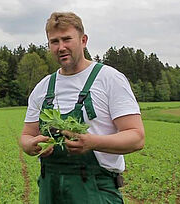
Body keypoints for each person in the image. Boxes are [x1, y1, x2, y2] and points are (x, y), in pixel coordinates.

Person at [20, 12, 145, 204]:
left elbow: (136, 137)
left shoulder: (110, 79)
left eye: (67, 39)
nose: (61, 47)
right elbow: (26, 135)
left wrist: (92, 142)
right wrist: (30, 146)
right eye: (54, 42)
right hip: (50, 190)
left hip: (95, 190)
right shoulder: (43, 88)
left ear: (83, 40)